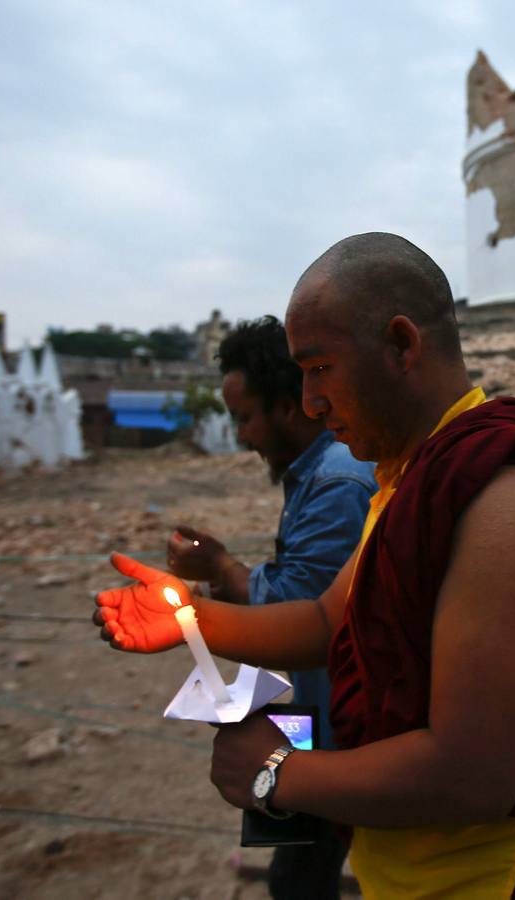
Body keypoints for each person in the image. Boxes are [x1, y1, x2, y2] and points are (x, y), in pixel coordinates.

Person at [94, 233, 515, 899]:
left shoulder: (508, 501)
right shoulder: (407, 482)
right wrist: (187, 616)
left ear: (403, 346)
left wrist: (277, 773)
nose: (311, 402)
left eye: (320, 368)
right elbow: (325, 621)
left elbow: (473, 774)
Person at [163, 315, 375, 900]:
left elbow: (298, 613)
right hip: (315, 713)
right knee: (295, 869)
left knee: (303, 877)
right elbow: (292, 586)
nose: (241, 435)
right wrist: (224, 572)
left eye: (245, 417)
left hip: (343, 731)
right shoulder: (312, 476)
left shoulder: (338, 483)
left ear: (289, 407)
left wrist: (199, 601)